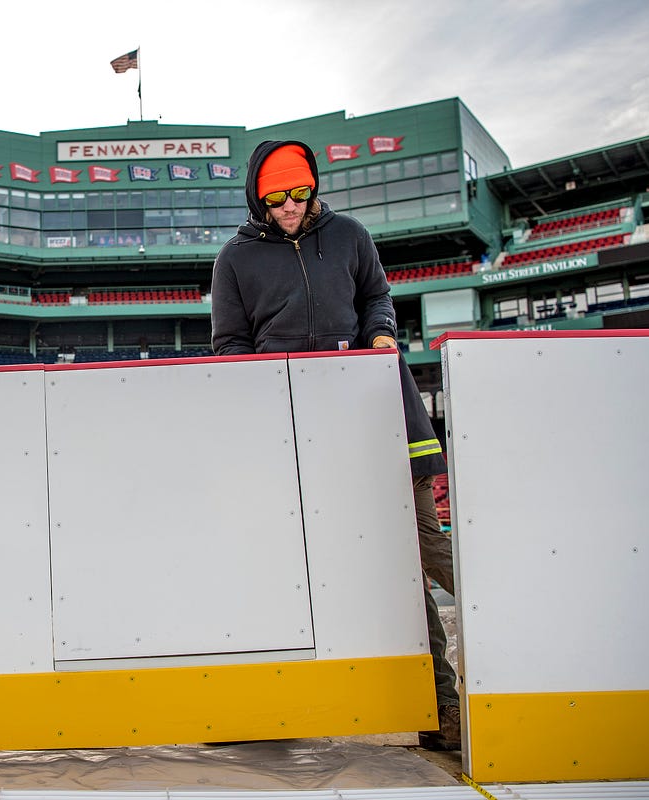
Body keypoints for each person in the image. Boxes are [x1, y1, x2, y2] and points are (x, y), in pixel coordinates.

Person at [210, 140, 460, 751]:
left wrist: (378, 333)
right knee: (296, 568)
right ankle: (270, 698)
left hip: (378, 415)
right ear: (258, 196)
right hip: (293, 431)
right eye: (277, 196)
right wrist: (271, 380)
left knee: (421, 551)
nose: (291, 206)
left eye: (300, 192)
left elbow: (378, 298)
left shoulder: (350, 236)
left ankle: (449, 699)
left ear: (314, 187)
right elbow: (229, 344)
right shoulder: (234, 258)